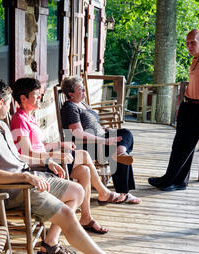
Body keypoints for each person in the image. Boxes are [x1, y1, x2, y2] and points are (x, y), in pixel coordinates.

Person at [0, 78, 146, 254]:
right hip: (12, 191)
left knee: (77, 191)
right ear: (0, 102)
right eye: (9, 102)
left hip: (29, 178)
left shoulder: (0, 126)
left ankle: (50, 243)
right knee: (68, 215)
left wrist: (46, 162)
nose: (10, 106)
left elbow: (18, 157)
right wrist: (26, 177)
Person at [11, 77, 126, 234]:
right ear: (23, 98)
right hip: (39, 167)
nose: (40, 98)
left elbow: (40, 145)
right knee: (84, 155)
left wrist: (60, 145)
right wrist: (52, 156)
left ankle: (86, 218)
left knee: (85, 171)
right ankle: (104, 192)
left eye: (40, 94)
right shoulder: (19, 120)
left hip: (47, 160)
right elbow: (25, 152)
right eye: (36, 95)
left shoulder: (29, 117)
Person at [148, 29, 199, 191]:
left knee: (186, 146)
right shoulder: (196, 58)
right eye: (187, 42)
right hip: (188, 105)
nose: (189, 46)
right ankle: (178, 181)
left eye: (193, 42)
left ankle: (169, 181)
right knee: (179, 145)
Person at [60, 76, 141, 204]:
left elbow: (92, 124)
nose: (84, 91)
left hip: (101, 138)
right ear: (70, 94)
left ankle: (121, 152)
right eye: (80, 89)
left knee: (125, 133)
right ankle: (123, 192)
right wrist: (104, 141)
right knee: (114, 147)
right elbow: (78, 133)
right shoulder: (70, 108)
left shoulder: (83, 104)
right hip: (88, 145)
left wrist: (104, 129)